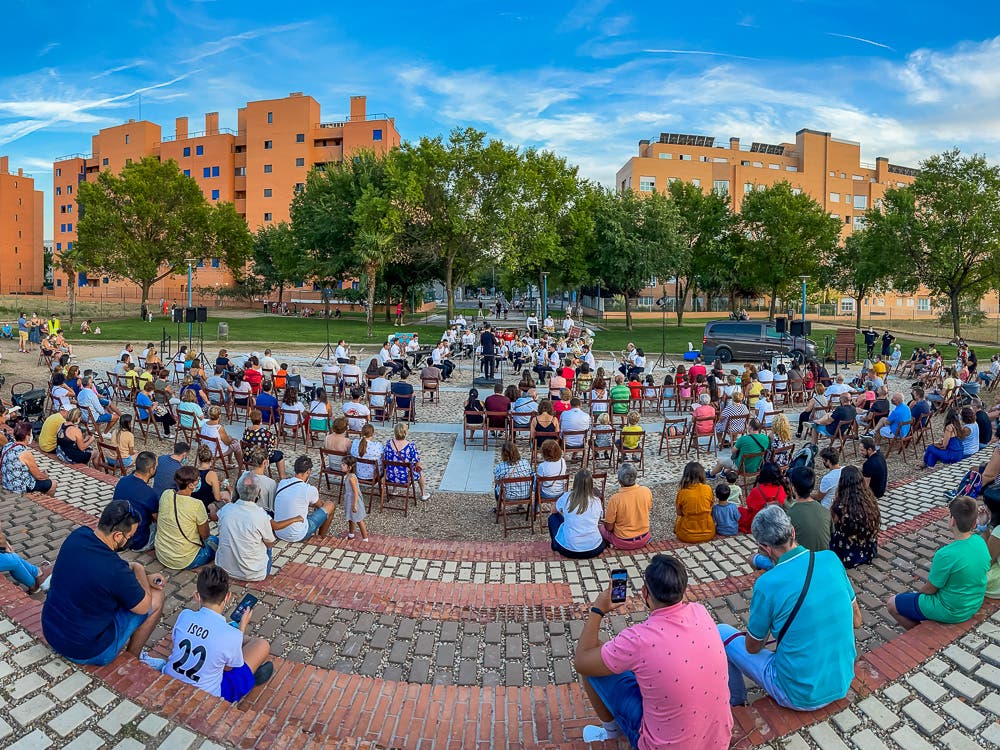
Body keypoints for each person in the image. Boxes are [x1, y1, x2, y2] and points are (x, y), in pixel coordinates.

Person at [574, 554, 732, 748]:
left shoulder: (638, 640)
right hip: (717, 741)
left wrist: (598, 609)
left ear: (645, 593)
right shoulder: (700, 611)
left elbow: (582, 660)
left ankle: (610, 733)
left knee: (592, 664)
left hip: (661, 745)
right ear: (683, 589)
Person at [718, 505, 862, 710]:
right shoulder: (830, 559)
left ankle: (736, 702)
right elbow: (857, 620)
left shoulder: (767, 584)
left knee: (721, 633)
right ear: (792, 532)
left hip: (797, 694)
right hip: (841, 682)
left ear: (765, 549)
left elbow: (753, 647)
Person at [42, 500, 166, 668]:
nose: (130, 540)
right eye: (129, 536)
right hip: (86, 651)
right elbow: (144, 606)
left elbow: (111, 569)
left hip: (52, 632)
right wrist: (139, 569)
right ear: (118, 536)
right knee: (155, 597)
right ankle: (134, 658)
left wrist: (139, 575)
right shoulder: (114, 570)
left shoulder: (78, 536)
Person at [163, 565, 274, 702]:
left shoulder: (185, 615)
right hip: (206, 695)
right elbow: (228, 668)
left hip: (170, 679)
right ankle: (250, 679)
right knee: (262, 645)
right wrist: (242, 627)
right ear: (227, 597)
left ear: (197, 596)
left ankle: (248, 673)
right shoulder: (231, 635)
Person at [888, 496, 990, 628]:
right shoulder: (980, 542)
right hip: (974, 604)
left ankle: (920, 633)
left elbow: (930, 589)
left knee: (892, 603)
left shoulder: (945, 554)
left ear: (952, 521)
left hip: (951, 610)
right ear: (975, 524)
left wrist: (917, 596)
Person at [216, 475, 278, 582]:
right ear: (259, 492)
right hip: (253, 574)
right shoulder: (261, 515)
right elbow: (269, 543)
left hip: (224, 568)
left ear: (237, 490)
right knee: (268, 544)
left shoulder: (226, 509)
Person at [156, 465, 218, 570]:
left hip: (162, 553)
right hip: (185, 559)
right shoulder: (197, 505)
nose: (199, 482)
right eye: (198, 480)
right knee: (215, 541)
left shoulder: (166, 494)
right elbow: (205, 535)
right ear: (190, 485)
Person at [273, 456, 336, 542]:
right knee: (330, 505)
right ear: (308, 471)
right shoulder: (309, 489)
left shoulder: (282, 483)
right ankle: (321, 536)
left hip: (279, 531)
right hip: (298, 534)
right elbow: (320, 506)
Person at [829, 465, 881, 568]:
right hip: (868, 548)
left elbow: (832, 523)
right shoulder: (869, 499)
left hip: (848, 551)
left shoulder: (840, 505)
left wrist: (833, 504)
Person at [112, 452, 160, 552]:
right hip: (138, 542)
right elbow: (158, 519)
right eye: (156, 466)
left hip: (118, 534)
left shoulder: (122, 480)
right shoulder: (150, 494)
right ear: (151, 470)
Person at [600, 462, 652, 550]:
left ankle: (609, 544)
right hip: (644, 537)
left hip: (623, 540)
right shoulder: (646, 491)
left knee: (600, 527)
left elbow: (609, 528)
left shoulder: (615, 499)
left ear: (620, 481)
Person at [784, 467, 831, 552]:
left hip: (803, 561)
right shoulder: (825, 511)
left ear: (793, 488)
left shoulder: (789, 516)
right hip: (824, 559)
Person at [674, 462, 715, 543]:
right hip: (709, 532)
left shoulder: (682, 492)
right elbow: (711, 506)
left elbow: (679, 513)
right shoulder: (708, 488)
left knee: (679, 519)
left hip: (687, 535)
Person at [242, 409, 285, 480]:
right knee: (280, 455)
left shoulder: (247, 430)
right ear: (261, 419)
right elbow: (274, 442)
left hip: (249, 457)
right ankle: (282, 477)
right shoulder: (266, 432)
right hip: (262, 458)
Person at [340, 455, 370, 541]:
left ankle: (365, 539)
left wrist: (354, 504)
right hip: (349, 499)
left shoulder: (352, 478)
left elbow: (356, 492)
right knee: (350, 518)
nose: (341, 466)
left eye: (343, 465)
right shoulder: (348, 475)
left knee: (359, 520)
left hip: (354, 501)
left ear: (349, 467)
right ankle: (351, 534)